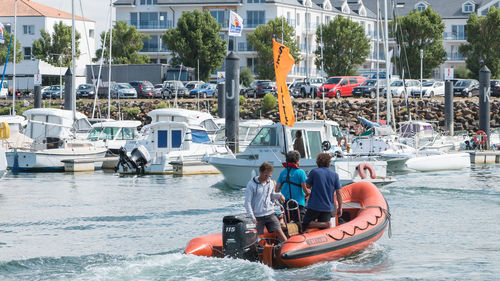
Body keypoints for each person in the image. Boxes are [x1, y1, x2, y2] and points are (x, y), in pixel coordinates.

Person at [244, 162, 287, 242]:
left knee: (279, 231)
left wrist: (279, 195)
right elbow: (247, 202)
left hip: (270, 213)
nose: (267, 177)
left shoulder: (270, 183)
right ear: (261, 172)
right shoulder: (251, 184)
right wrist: (252, 217)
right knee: (255, 238)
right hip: (257, 216)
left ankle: (287, 249)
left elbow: (271, 195)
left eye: (269, 176)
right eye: (265, 175)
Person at [302, 153, 343, 230]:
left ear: (318, 162)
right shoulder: (335, 175)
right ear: (329, 162)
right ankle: (325, 224)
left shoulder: (314, 172)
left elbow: (307, 186)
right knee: (322, 231)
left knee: (305, 224)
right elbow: (339, 193)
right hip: (327, 207)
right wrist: (340, 207)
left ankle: (325, 224)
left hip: (314, 205)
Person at [275, 151, 309, 223]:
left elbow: (277, 189)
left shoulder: (283, 172)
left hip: (286, 204)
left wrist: (280, 201)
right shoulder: (301, 172)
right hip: (299, 203)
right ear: (297, 161)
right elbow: (305, 190)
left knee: (287, 223)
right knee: (300, 223)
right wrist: (311, 192)